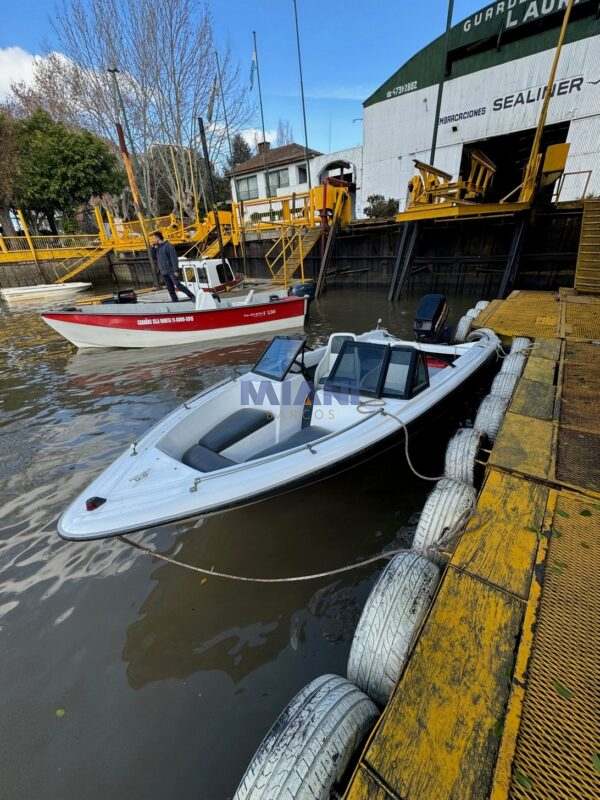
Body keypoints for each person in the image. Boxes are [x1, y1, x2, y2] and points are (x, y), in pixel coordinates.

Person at [150, 231, 195, 302]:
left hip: (171, 271)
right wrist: (153, 247)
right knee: (170, 288)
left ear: (157, 238)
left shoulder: (168, 246)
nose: (152, 240)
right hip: (163, 271)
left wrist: (176, 270)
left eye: (153, 238)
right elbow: (153, 257)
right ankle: (175, 301)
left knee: (178, 285)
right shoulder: (157, 248)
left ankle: (192, 296)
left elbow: (174, 258)